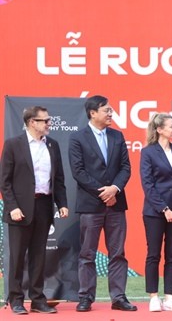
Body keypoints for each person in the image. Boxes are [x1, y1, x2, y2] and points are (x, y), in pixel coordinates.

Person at [69, 95, 137, 312]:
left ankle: (118, 297)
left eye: (111, 110)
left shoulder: (117, 136)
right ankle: (86, 297)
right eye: (106, 110)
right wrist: (103, 192)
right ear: (93, 113)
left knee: (117, 253)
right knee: (87, 253)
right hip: (91, 205)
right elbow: (78, 172)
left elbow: (125, 167)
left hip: (116, 204)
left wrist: (114, 189)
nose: (111, 113)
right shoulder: (78, 138)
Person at [0, 106, 69, 315]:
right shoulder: (13, 145)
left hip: (44, 206)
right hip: (20, 209)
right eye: (45, 120)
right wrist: (12, 207)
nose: (49, 123)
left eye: (48, 120)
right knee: (18, 256)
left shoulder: (53, 145)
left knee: (39, 256)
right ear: (32, 122)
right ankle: (16, 300)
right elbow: (5, 182)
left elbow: (58, 179)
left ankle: (38, 300)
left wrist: (62, 203)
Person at [140, 113, 172, 312]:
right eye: (171, 126)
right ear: (160, 129)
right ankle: (153, 296)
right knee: (153, 254)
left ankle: (170, 296)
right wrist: (164, 209)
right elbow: (148, 184)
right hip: (155, 212)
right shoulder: (148, 152)